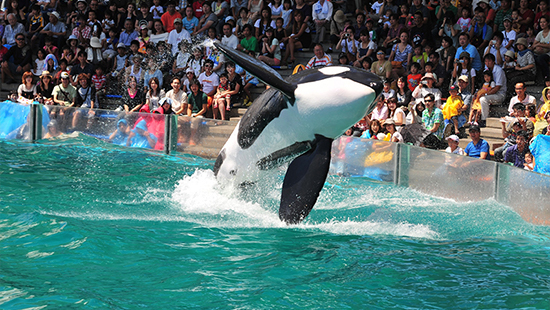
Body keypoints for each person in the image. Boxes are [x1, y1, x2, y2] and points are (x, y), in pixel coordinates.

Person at [479, 53, 507, 126]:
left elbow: (497, 87)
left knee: (483, 99)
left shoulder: (499, 70)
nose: (487, 63)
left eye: (489, 61)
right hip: (489, 92)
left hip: (500, 94)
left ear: (493, 61)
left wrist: (485, 94)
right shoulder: (486, 70)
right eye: (486, 61)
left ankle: (484, 119)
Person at [533, 16, 550, 82]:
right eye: (540, 22)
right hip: (540, 53)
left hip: (548, 54)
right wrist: (537, 46)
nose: (542, 24)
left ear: (548, 23)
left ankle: (547, 76)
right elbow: (534, 45)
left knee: (540, 58)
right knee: (533, 57)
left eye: (544, 22)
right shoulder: (540, 33)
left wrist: (539, 44)